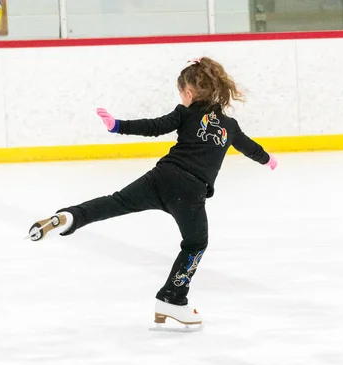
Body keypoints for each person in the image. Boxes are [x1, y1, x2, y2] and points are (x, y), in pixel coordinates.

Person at [27, 57, 278, 331]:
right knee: (195, 244)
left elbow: (154, 126)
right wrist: (268, 160)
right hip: (190, 191)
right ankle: (172, 298)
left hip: (163, 177)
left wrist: (118, 125)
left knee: (116, 202)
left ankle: (70, 216)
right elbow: (250, 147)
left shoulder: (184, 113)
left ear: (189, 94)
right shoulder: (230, 126)